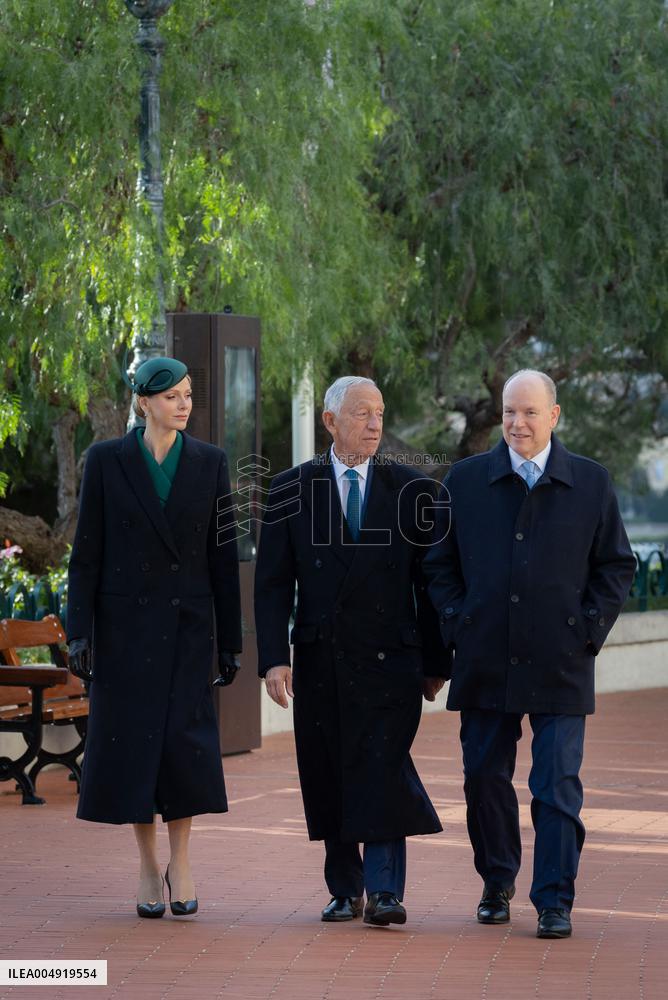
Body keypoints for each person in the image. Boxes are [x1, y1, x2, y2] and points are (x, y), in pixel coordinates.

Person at [424, 369, 636, 939]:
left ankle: (554, 900)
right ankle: (497, 881)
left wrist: (587, 631)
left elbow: (617, 566)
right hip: (484, 657)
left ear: (555, 416)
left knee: (556, 785)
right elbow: (438, 566)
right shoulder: (465, 481)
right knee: (483, 779)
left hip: (561, 661)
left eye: (530, 413)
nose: (517, 423)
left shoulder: (591, 483)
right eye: (510, 412)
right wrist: (458, 625)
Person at [254, 376, 448, 926]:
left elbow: (429, 585)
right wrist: (274, 657)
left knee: (384, 767)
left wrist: (436, 662)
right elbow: (272, 585)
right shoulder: (292, 489)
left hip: (393, 658)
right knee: (330, 769)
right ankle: (345, 887)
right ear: (330, 421)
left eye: (380, 413)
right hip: (322, 658)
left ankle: (386, 891)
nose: (374, 424)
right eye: (362, 413)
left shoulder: (413, 489)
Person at [67, 356, 242, 918]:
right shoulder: (105, 460)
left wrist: (232, 641)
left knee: (183, 751)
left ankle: (182, 860)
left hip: (188, 631)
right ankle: (147, 865)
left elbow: (223, 559)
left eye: (189, 395)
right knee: (134, 749)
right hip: (123, 635)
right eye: (172, 396)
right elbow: (86, 556)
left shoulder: (211, 463)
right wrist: (79, 635)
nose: (185, 405)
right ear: (144, 402)